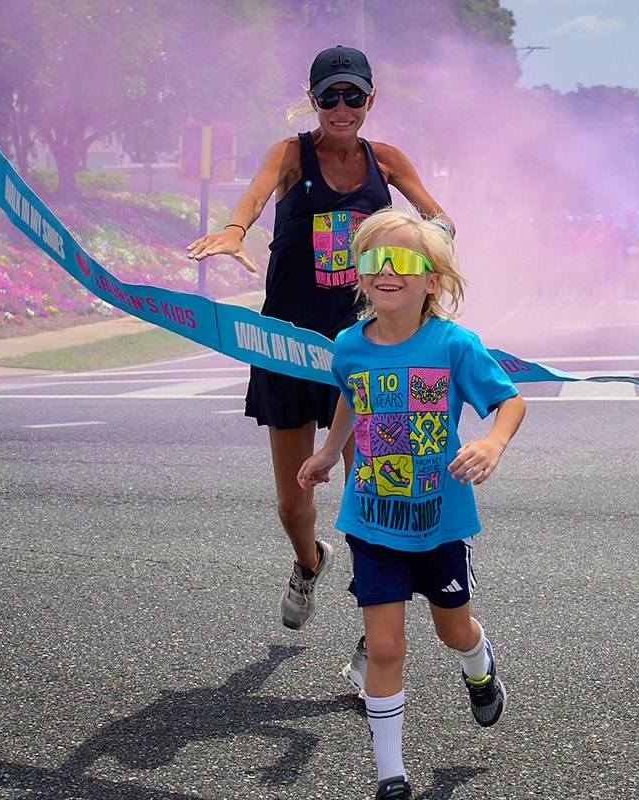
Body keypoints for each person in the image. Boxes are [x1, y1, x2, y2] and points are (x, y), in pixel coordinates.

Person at [185, 46, 454, 641]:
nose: (341, 107)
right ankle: (310, 562)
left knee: (379, 498)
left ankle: (375, 632)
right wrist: (234, 231)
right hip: (287, 349)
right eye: (329, 96)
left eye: (352, 96)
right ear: (313, 100)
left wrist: (427, 250)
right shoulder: (290, 154)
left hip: (370, 352)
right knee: (291, 501)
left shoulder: (386, 162)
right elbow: (255, 196)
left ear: (369, 100)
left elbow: (437, 218)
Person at [296, 208, 525, 800]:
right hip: (372, 518)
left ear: (433, 280)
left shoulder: (453, 344)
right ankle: (390, 776)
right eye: (374, 261)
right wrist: (328, 453)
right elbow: (351, 397)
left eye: (403, 261)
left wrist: (492, 442)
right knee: (387, 646)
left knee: (453, 631)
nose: (387, 272)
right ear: (361, 275)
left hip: (441, 521)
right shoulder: (348, 345)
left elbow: (510, 402)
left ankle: (479, 668)